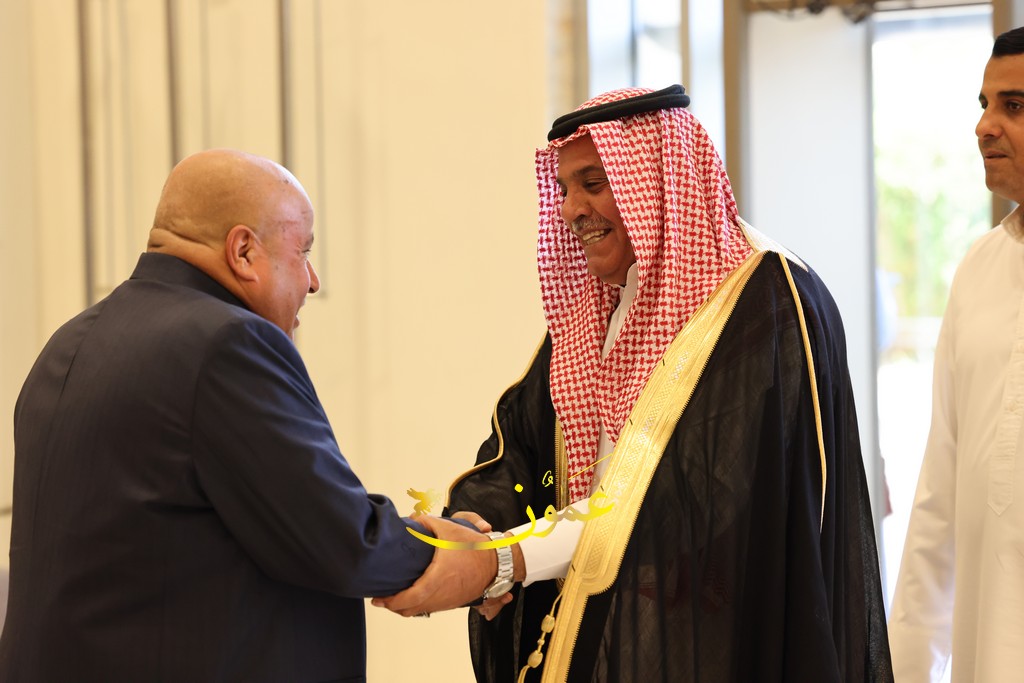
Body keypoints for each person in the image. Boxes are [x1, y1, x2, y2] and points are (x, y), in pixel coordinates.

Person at [376, 87, 893, 681]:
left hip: (719, 640)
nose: (572, 210)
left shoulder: (764, 303)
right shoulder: (599, 304)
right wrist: (473, 530)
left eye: (594, 183)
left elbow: (695, 495)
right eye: (564, 189)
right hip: (601, 626)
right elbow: (527, 447)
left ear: (656, 179)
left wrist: (504, 560)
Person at [0, 149, 495, 682]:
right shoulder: (227, 342)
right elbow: (341, 539)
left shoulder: (70, 340)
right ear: (243, 251)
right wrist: (465, 552)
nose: (312, 280)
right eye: (303, 251)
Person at [888, 26, 1024, 682]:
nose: (984, 127)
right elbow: (939, 489)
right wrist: (909, 662)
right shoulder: (978, 268)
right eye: (984, 104)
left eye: (1014, 106)